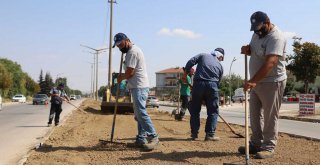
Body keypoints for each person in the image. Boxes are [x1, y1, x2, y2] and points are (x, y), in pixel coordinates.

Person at [238, 11, 287, 159]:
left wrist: (253, 81)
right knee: (254, 115)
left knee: (270, 116)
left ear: (267, 22)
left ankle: (268, 146)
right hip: (256, 82)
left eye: (259, 28)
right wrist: (246, 50)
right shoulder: (256, 33)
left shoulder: (276, 37)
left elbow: (270, 62)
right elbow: (255, 51)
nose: (257, 31)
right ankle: (256, 143)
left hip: (272, 82)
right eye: (255, 29)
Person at [113, 32, 159, 151]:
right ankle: (141, 139)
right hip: (136, 86)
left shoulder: (132, 52)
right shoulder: (129, 52)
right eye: (117, 45)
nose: (119, 47)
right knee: (138, 115)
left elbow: (130, 73)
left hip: (140, 87)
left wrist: (120, 77)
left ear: (127, 40)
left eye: (120, 44)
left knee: (141, 113)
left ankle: (153, 136)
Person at [183, 48, 224, 141]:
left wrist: (185, 74)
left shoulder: (202, 55)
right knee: (213, 111)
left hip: (198, 84)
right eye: (222, 59)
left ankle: (194, 134)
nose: (221, 60)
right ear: (220, 56)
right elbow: (218, 82)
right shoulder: (220, 66)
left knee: (195, 109)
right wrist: (209, 97)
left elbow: (191, 61)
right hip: (213, 85)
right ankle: (210, 134)